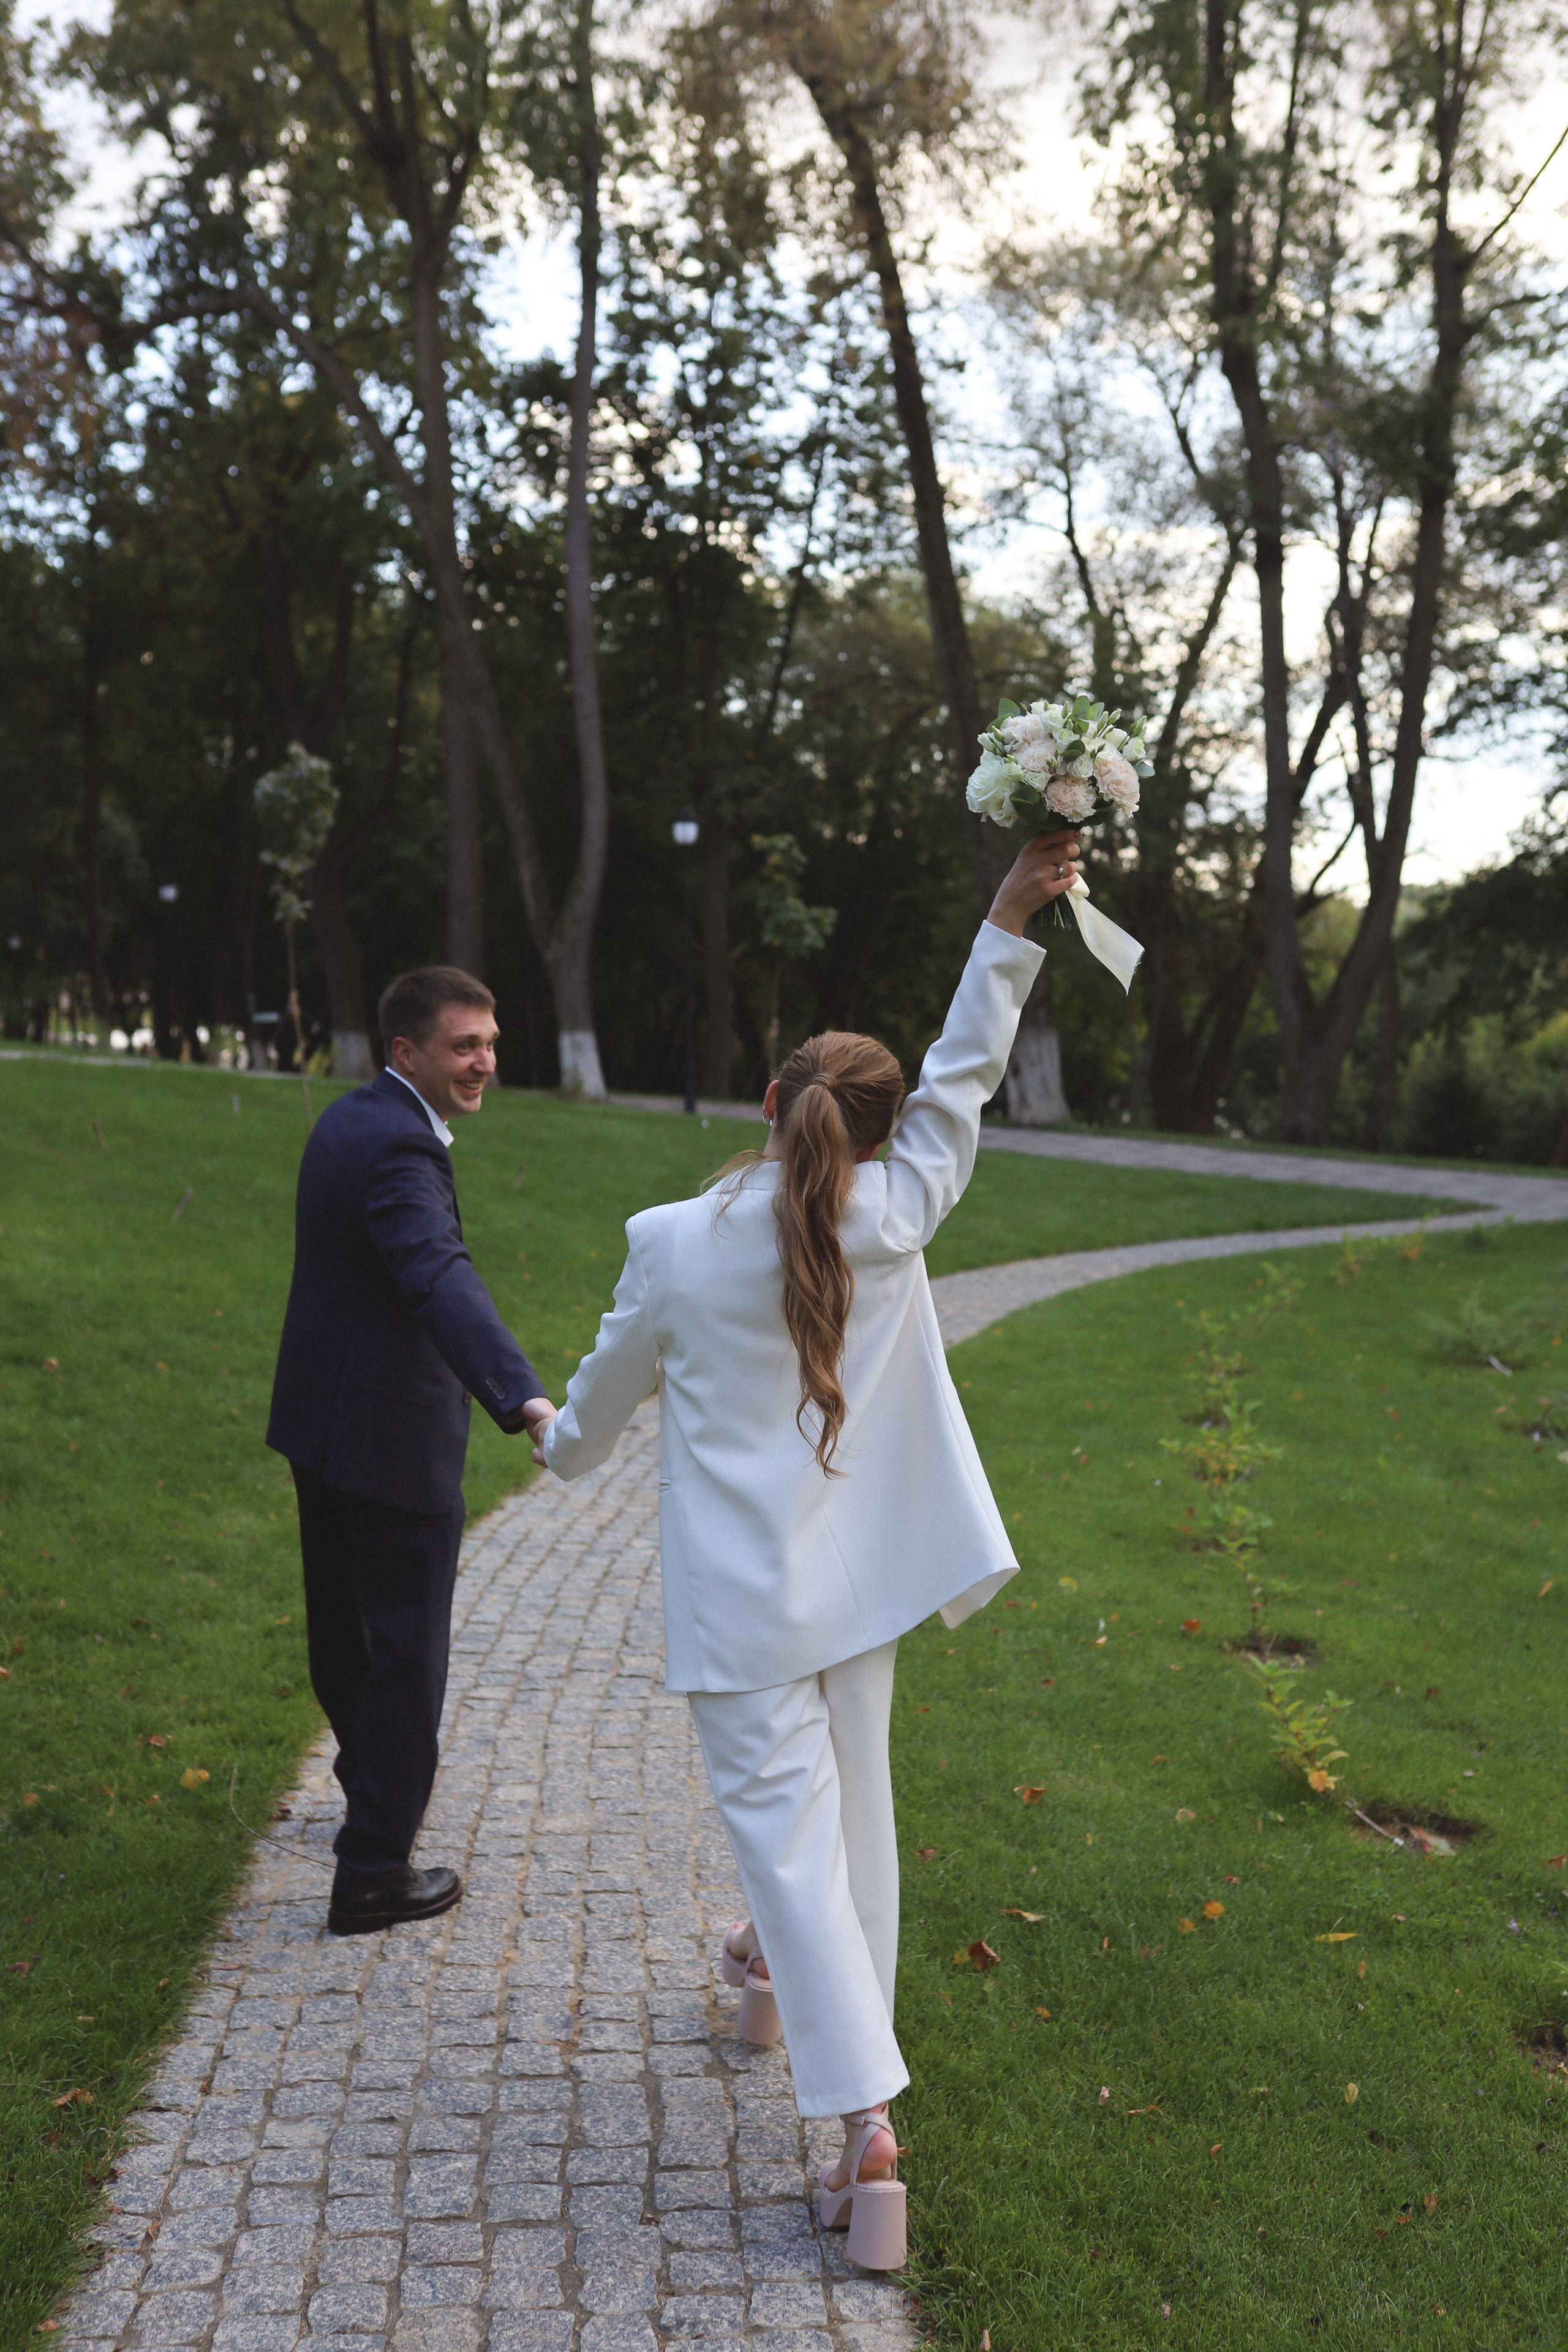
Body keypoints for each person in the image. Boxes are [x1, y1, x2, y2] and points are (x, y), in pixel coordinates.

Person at [529, 830, 1082, 2268]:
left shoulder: (670, 1240)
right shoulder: (895, 1214)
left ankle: (865, 2129)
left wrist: (550, 1443)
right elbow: (964, 1071)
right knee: (855, 1831)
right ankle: (771, 1972)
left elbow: (594, 1411)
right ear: (876, 1133)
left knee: (790, 1847)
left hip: (743, 1616)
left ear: (769, 1102)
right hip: (862, 1596)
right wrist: (1008, 919)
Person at [266, 966, 552, 1936]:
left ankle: (367, 1795)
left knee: (344, 1635)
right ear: (407, 1052)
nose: (485, 1062)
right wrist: (522, 1395)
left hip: (323, 1426)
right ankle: (374, 1872)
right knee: (406, 1654)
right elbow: (436, 1273)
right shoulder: (398, 1146)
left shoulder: (350, 1119)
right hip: (391, 1446)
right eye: (464, 1045)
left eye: (491, 1042)